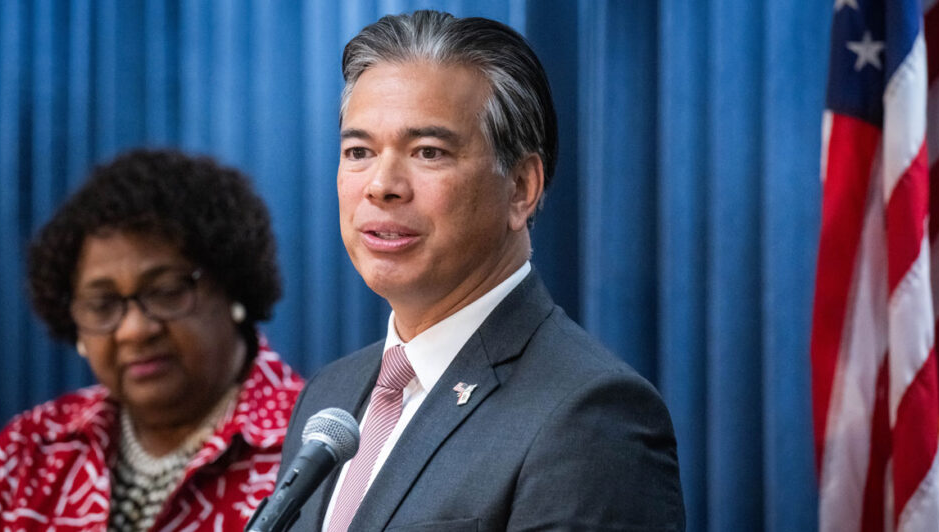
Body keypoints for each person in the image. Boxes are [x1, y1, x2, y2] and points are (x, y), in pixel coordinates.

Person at [275, 10, 685, 532]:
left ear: (520, 189)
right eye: (359, 151)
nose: (381, 185)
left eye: (428, 152)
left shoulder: (590, 416)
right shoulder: (330, 396)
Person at [0, 149, 303, 531]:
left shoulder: (314, 452)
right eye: (102, 304)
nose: (134, 330)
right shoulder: (26, 452)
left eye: (165, 291)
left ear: (232, 287)